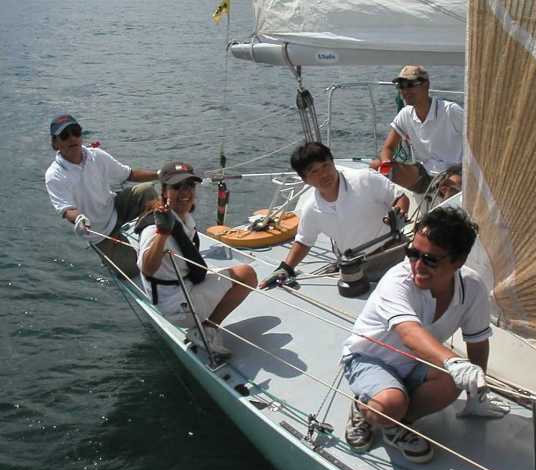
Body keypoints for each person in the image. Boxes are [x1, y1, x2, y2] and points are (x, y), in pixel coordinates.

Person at [341, 207, 509, 463]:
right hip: (369, 359)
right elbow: (409, 333)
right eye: (412, 254)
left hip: (415, 361)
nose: (417, 266)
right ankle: (365, 407)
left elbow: (477, 342)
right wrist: (453, 362)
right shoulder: (397, 281)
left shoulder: (472, 287)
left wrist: (477, 396)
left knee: (453, 382)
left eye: (430, 259)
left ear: (458, 262)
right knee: (391, 402)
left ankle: (398, 424)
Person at [136, 162, 257, 358]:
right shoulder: (154, 230)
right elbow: (148, 269)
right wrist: (162, 234)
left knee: (234, 272)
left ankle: (203, 324)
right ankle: (206, 331)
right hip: (178, 307)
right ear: (164, 192)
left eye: (190, 186)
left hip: (181, 292)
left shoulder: (181, 218)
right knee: (247, 275)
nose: (185, 192)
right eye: (177, 187)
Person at [259, 142, 410, 289]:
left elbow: (400, 197)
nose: (324, 174)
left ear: (333, 162)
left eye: (326, 165)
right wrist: (285, 268)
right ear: (305, 179)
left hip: (393, 254)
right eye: (314, 171)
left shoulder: (365, 179)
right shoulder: (311, 208)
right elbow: (304, 241)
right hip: (354, 268)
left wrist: (399, 214)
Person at [45, 114, 159, 277]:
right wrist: (79, 219)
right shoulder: (54, 175)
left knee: (146, 191)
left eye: (76, 132)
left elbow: (129, 174)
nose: (72, 138)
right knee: (133, 269)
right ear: (55, 143)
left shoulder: (96, 155)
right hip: (100, 234)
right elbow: (67, 209)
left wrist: (160, 174)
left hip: (115, 208)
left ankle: (158, 234)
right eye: (65, 135)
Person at [371, 66, 463, 193]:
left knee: (454, 184)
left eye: (410, 84)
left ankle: (444, 204)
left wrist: (463, 167)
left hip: (452, 172)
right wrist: (386, 163)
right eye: (401, 86)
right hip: (424, 173)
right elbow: (388, 147)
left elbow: (477, 141)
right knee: (375, 166)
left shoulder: (450, 111)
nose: (405, 90)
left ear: (426, 85)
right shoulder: (405, 114)